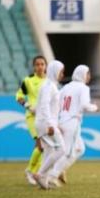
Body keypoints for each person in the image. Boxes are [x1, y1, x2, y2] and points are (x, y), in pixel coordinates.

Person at [47, 65, 98, 185]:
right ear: (82, 74)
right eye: (88, 73)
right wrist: (95, 107)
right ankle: (52, 176)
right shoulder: (83, 88)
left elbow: (56, 103)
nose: (89, 76)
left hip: (62, 121)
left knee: (80, 149)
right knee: (69, 153)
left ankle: (58, 171)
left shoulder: (66, 87)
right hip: (72, 123)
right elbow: (85, 105)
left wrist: (55, 120)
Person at [32, 60, 65, 189]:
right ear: (55, 71)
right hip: (46, 123)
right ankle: (40, 174)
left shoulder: (50, 85)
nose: (62, 74)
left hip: (44, 122)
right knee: (62, 149)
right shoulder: (48, 86)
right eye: (61, 71)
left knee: (49, 151)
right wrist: (50, 124)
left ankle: (43, 182)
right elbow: (44, 105)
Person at [15, 55, 47, 185]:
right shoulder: (28, 81)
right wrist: (28, 105)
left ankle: (34, 172)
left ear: (46, 66)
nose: (40, 67)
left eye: (42, 64)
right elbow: (19, 96)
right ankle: (30, 171)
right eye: (37, 64)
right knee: (41, 144)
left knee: (42, 147)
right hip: (32, 116)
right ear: (34, 67)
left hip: (45, 117)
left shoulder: (49, 82)